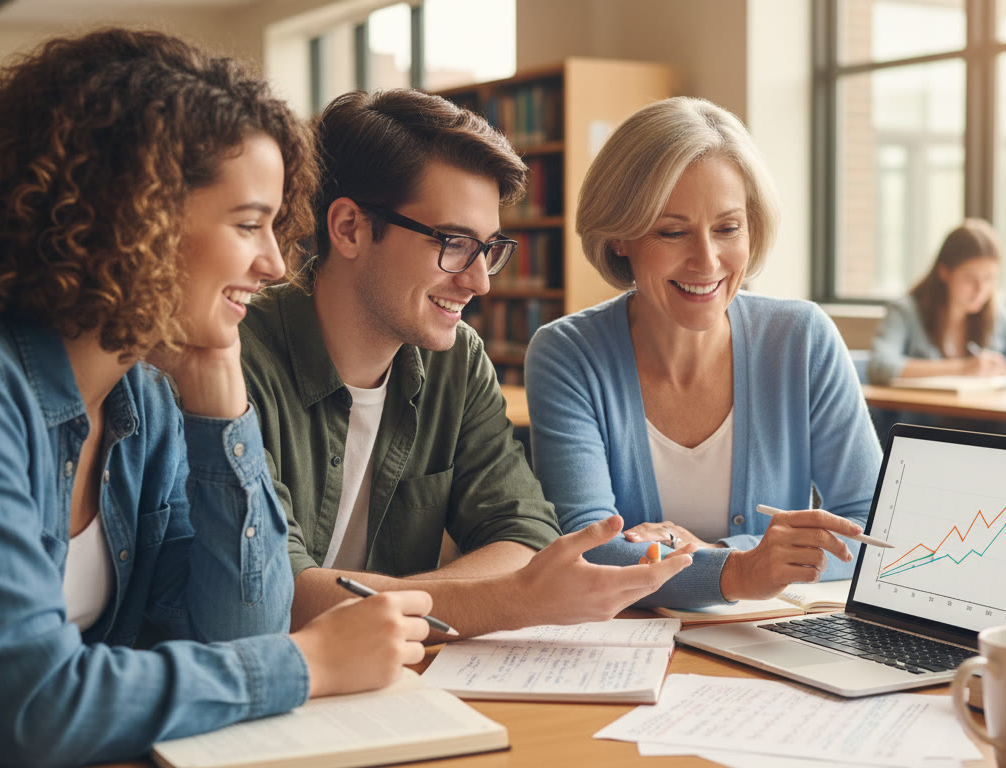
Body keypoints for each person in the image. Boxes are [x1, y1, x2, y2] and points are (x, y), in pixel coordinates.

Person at [0, 29, 434, 767]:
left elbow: (237, 636)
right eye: (249, 223)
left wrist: (222, 404)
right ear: (134, 215)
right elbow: (36, 705)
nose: (276, 263)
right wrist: (310, 661)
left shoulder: (147, 400)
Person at [238, 88, 692, 639]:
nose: (479, 281)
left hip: (389, 678)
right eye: (453, 243)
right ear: (349, 228)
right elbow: (271, 594)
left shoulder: (457, 362)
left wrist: (491, 597)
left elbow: (524, 534)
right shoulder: (235, 360)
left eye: (490, 249)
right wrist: (507, 601)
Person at [522, 97, 882, 610]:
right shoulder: (567, 355)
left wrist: (715, 554)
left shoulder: (802, 339)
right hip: (628, 655)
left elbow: (869, 522)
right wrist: (741, 571)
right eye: (672, 232)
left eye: (728, 228)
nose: (707, 261)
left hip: (769, 644)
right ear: (621, 236)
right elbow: (589, 548)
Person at [867, 218, 1006, 385]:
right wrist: (963, 368)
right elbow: (880, 365)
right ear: (944, 272)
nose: (980, 290)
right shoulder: (905, 311)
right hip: (922, 417)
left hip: (982, 413)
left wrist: (996, 369)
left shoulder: (996, 309)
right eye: (970, 278)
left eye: (989, 278)